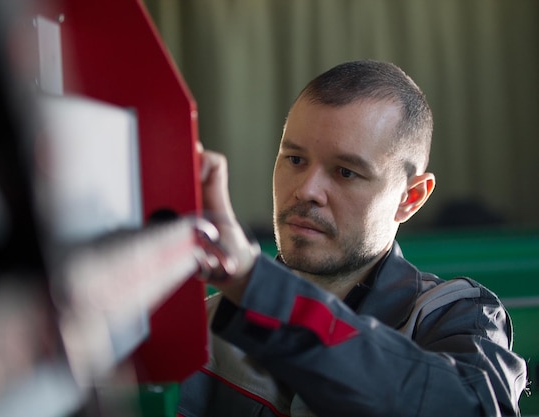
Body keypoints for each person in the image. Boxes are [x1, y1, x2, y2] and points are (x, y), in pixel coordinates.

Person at [178, 60, 527, 416]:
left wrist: (255, 285)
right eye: (295, 159)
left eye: (345, 172)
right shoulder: (203, 326)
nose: (307, 190)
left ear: (410, 198)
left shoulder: (454, 318)